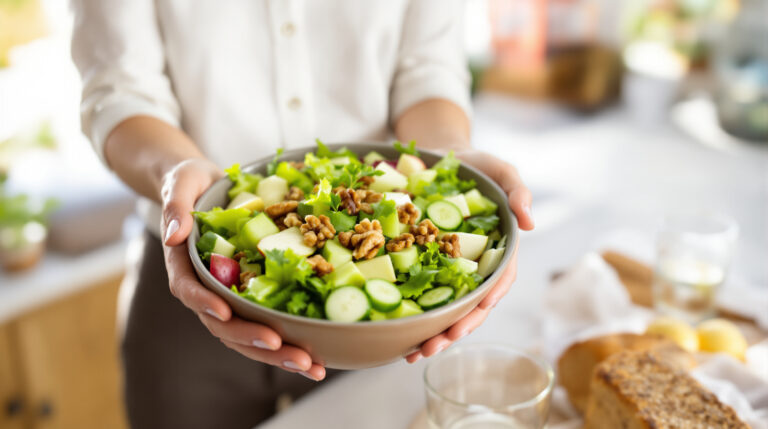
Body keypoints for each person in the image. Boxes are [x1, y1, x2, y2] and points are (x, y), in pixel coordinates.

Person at [71, 1, 534, 428]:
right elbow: (119, 92)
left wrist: (448, 154)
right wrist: (175, 174)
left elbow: (428, 72)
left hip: (380, 326)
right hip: (192, 277)